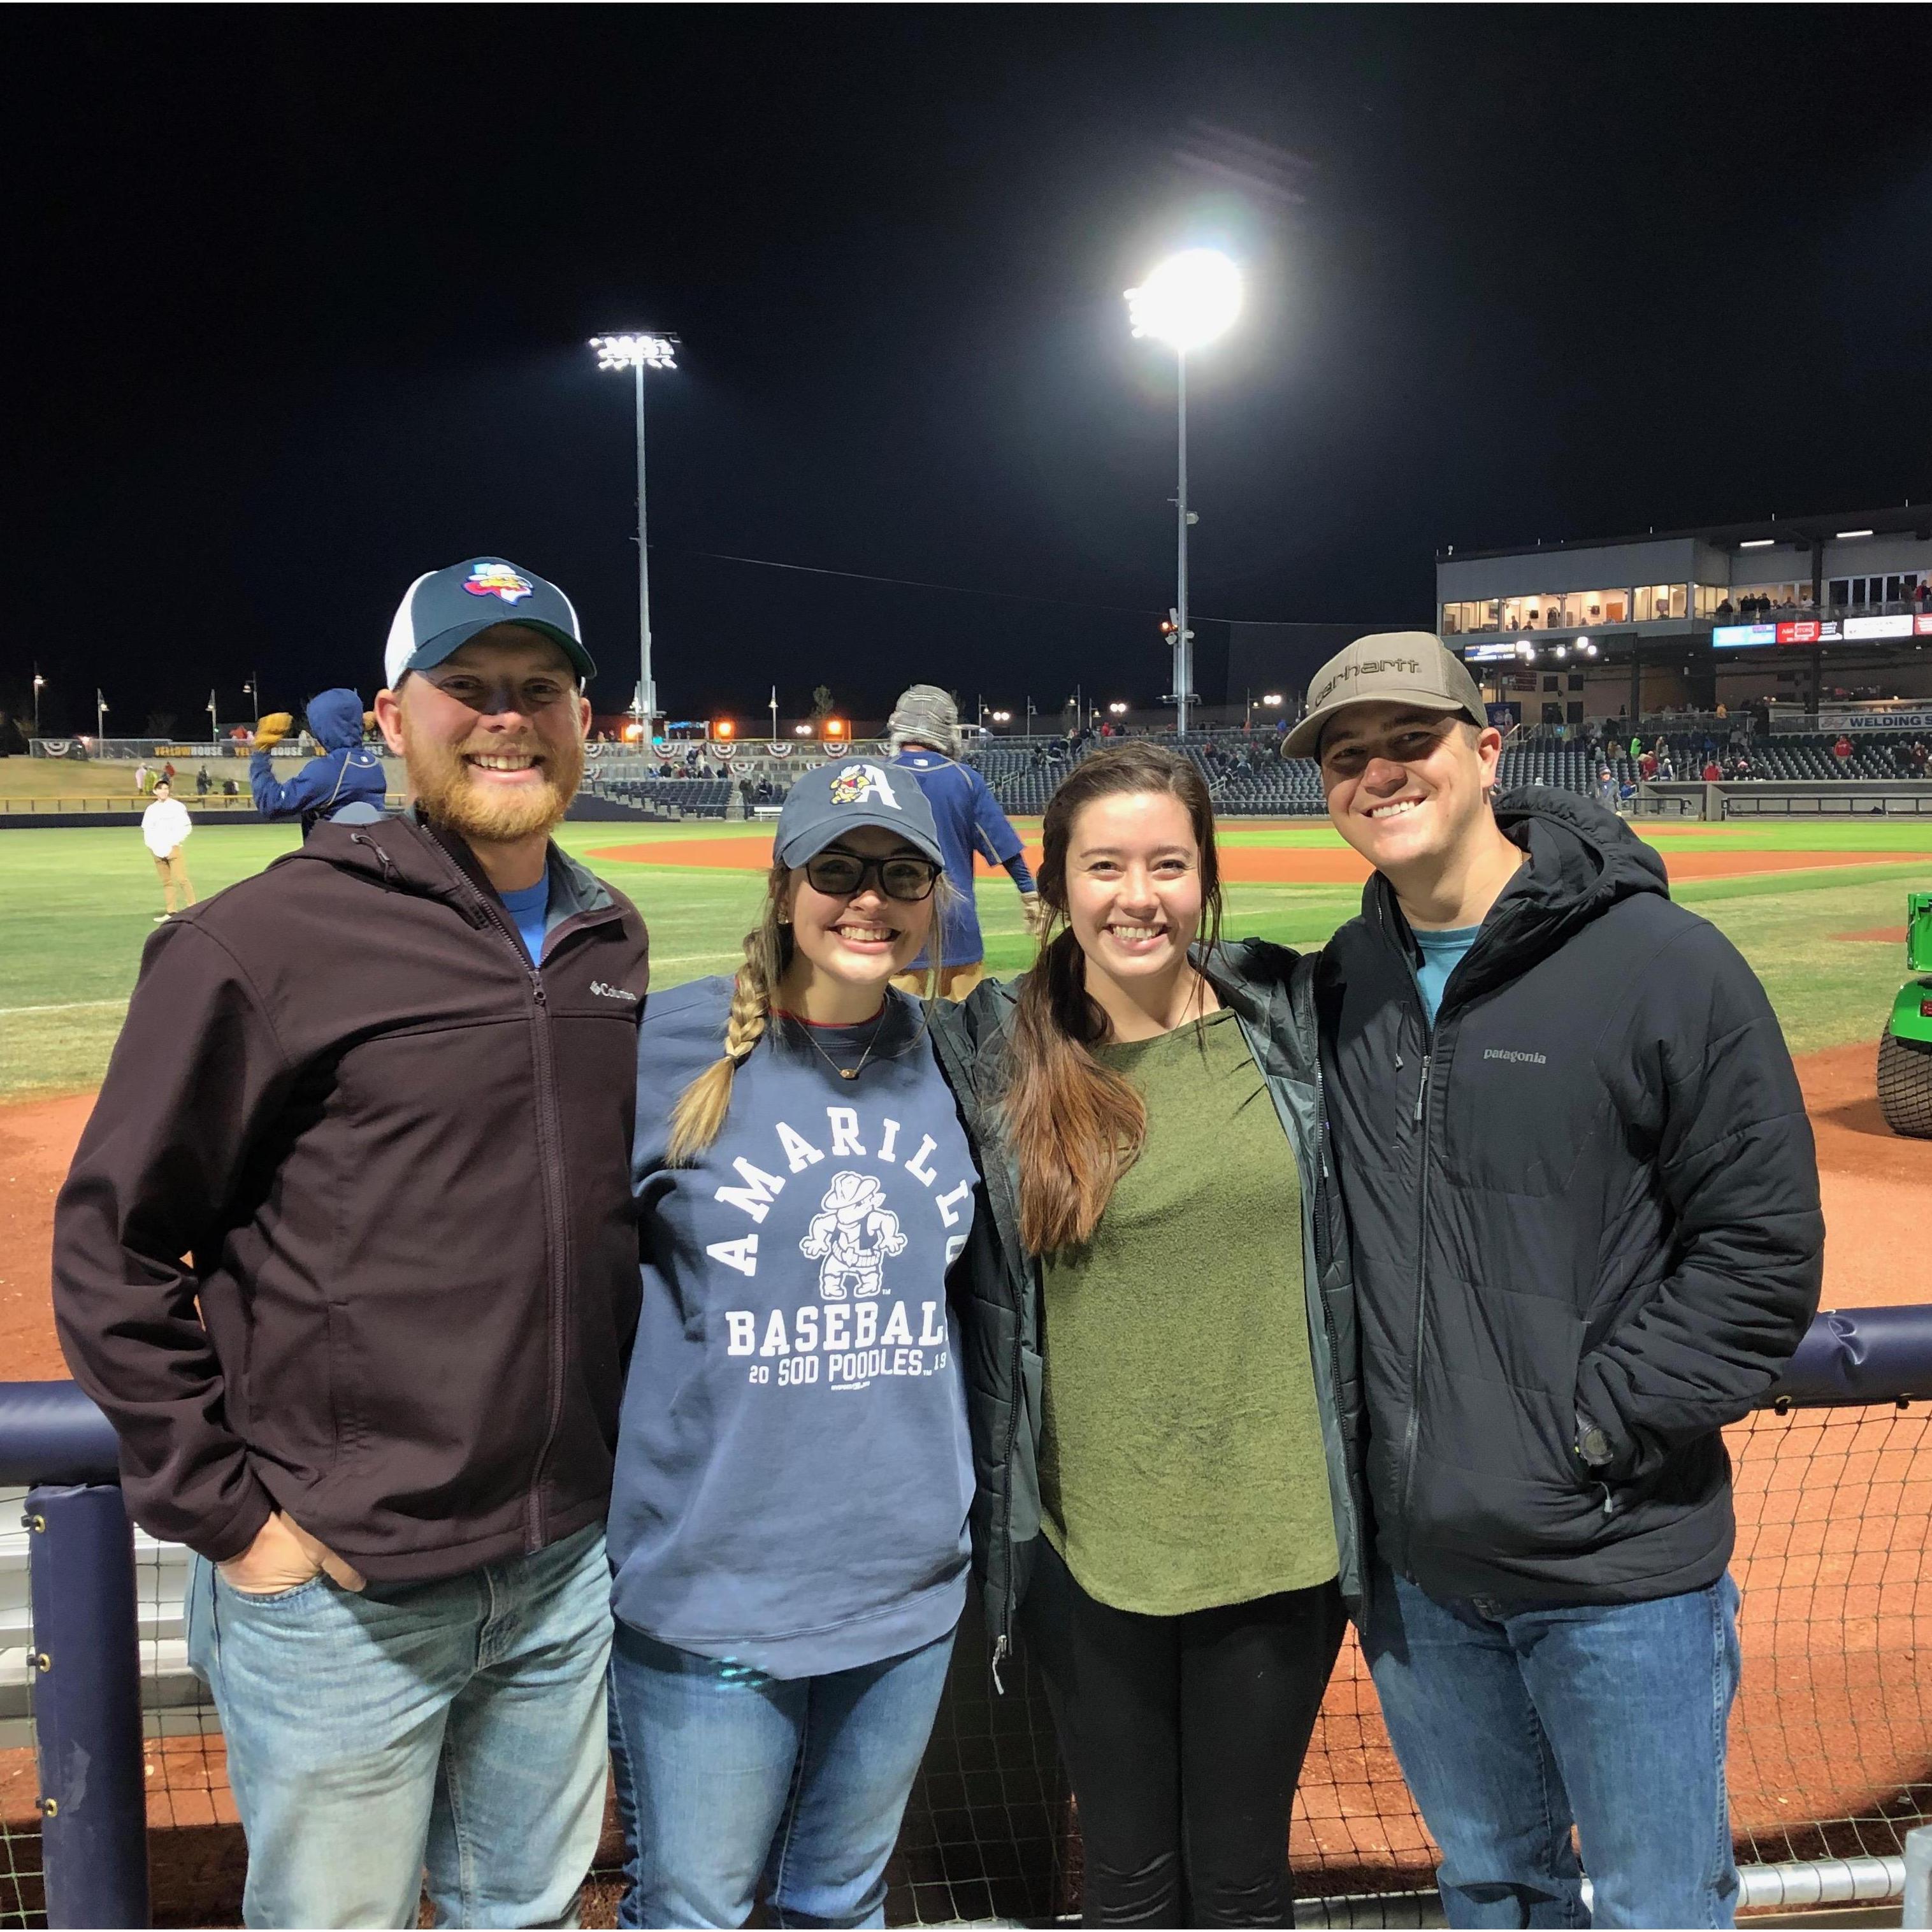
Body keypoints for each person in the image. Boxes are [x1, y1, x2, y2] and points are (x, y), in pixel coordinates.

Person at [54, 554, 647, 1930]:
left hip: (559, 1568)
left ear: (581, 719)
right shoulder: (260, 938)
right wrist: (235, 1523)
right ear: (391, 720)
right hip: (344, 1591)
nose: (508, 717)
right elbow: (114, 1246)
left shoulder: (606, 935)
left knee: (527, 1913)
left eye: (539, 689)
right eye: (469, 688)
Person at [1290, 633, 1822, 1928]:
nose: (1378, 773)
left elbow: (1760, 1255)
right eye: (1345, 756)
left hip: (1613, 1567)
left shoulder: (1663, 964)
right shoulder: (1340, 982)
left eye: (1409, 740)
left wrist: (1588, 1434)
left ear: (1486, 748)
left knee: (1655, 1905)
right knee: (1494, 1890)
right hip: (1419, 1577)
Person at [930, 744, 1361, 1927]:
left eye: (1167, 863)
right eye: (1105, 864)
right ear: (1059, 882)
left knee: (1237, 1875)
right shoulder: (990, 1054)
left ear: (1204, 875)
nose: (1139, 894)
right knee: (1123, 1874)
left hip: (1276, 1539)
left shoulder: (1290, 1016)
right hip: (1087, 1547)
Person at [607, 758, 974, 1929]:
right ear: (783, 886)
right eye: (838, 868)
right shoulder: (668, 1047)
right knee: (697, 1908)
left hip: (905, 1584)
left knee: (840, 1901)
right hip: (715, 1586)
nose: (869, 899)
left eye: (901, 873)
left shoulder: (961, 1060)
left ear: (935, 897)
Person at [884, 684, 1044, 999]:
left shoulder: (877, 778)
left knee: (895, 1032)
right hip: (956, 919)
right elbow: (1004, 847)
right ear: (947, 729)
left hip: (895, 919)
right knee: (966, 1029)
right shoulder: (966, 779)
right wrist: (1029, 893)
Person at [251, 688, 387, 833]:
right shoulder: (374, 764)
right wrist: (355, 724)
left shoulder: (330, 770)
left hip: (334, 854)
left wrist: (261, 753)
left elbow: (272, 803)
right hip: (370, 851)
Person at [140, 778, 196, 920]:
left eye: (166, 788)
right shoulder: (151, 810)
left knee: (182, 879)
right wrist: (152, 846)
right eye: (160, 789)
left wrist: (175, 842)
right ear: (155, 791)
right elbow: (147, 829)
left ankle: (193, 908)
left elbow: (186, 827)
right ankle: (171, 912)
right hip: (157, 849)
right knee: (167, 882)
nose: (164, 791)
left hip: (173, 848)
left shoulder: (177, 807)